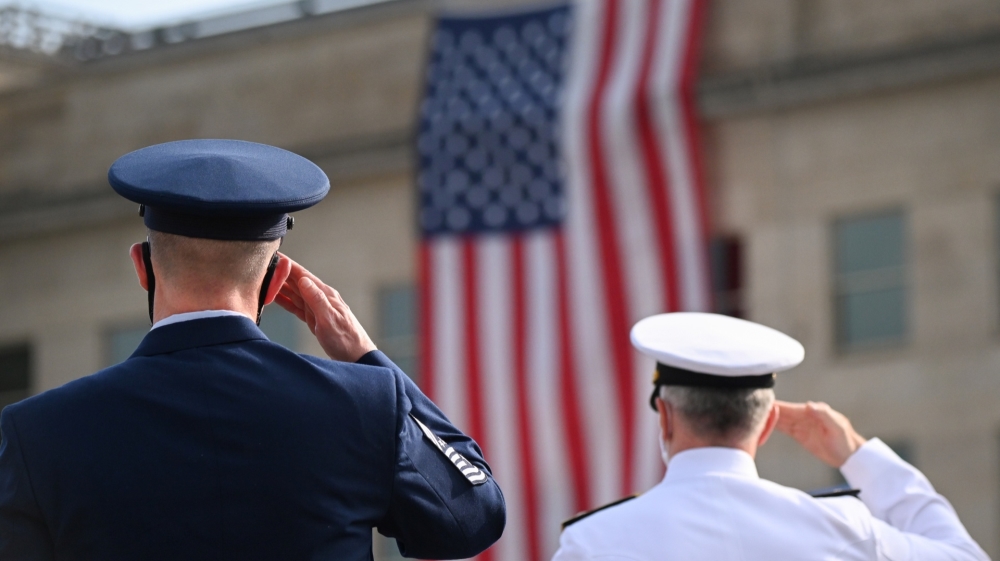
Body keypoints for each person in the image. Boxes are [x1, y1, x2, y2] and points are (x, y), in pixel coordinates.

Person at [0, 139, 505, 560]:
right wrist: (367, 360)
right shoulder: (364, 404)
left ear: (142, 266)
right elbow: (472, 516)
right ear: (277, 278)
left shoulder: (36, 432)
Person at [552, 312, 987, 560]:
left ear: (664, 416)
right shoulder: (845, 529)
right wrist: (857, 453)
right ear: (766, 424)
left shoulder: (593, 544)